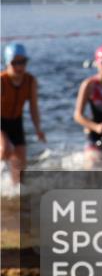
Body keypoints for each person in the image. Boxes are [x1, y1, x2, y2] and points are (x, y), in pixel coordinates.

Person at [1, 43, 45, 185]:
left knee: (21, 164)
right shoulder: (2, 81)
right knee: (5, 148)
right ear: (7, 63)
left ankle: (13, 193)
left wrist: (38, 129)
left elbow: (33, 107)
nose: (19, 67)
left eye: (23, 62)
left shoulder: (30, 81)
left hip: (16, 122)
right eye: (15, 63)